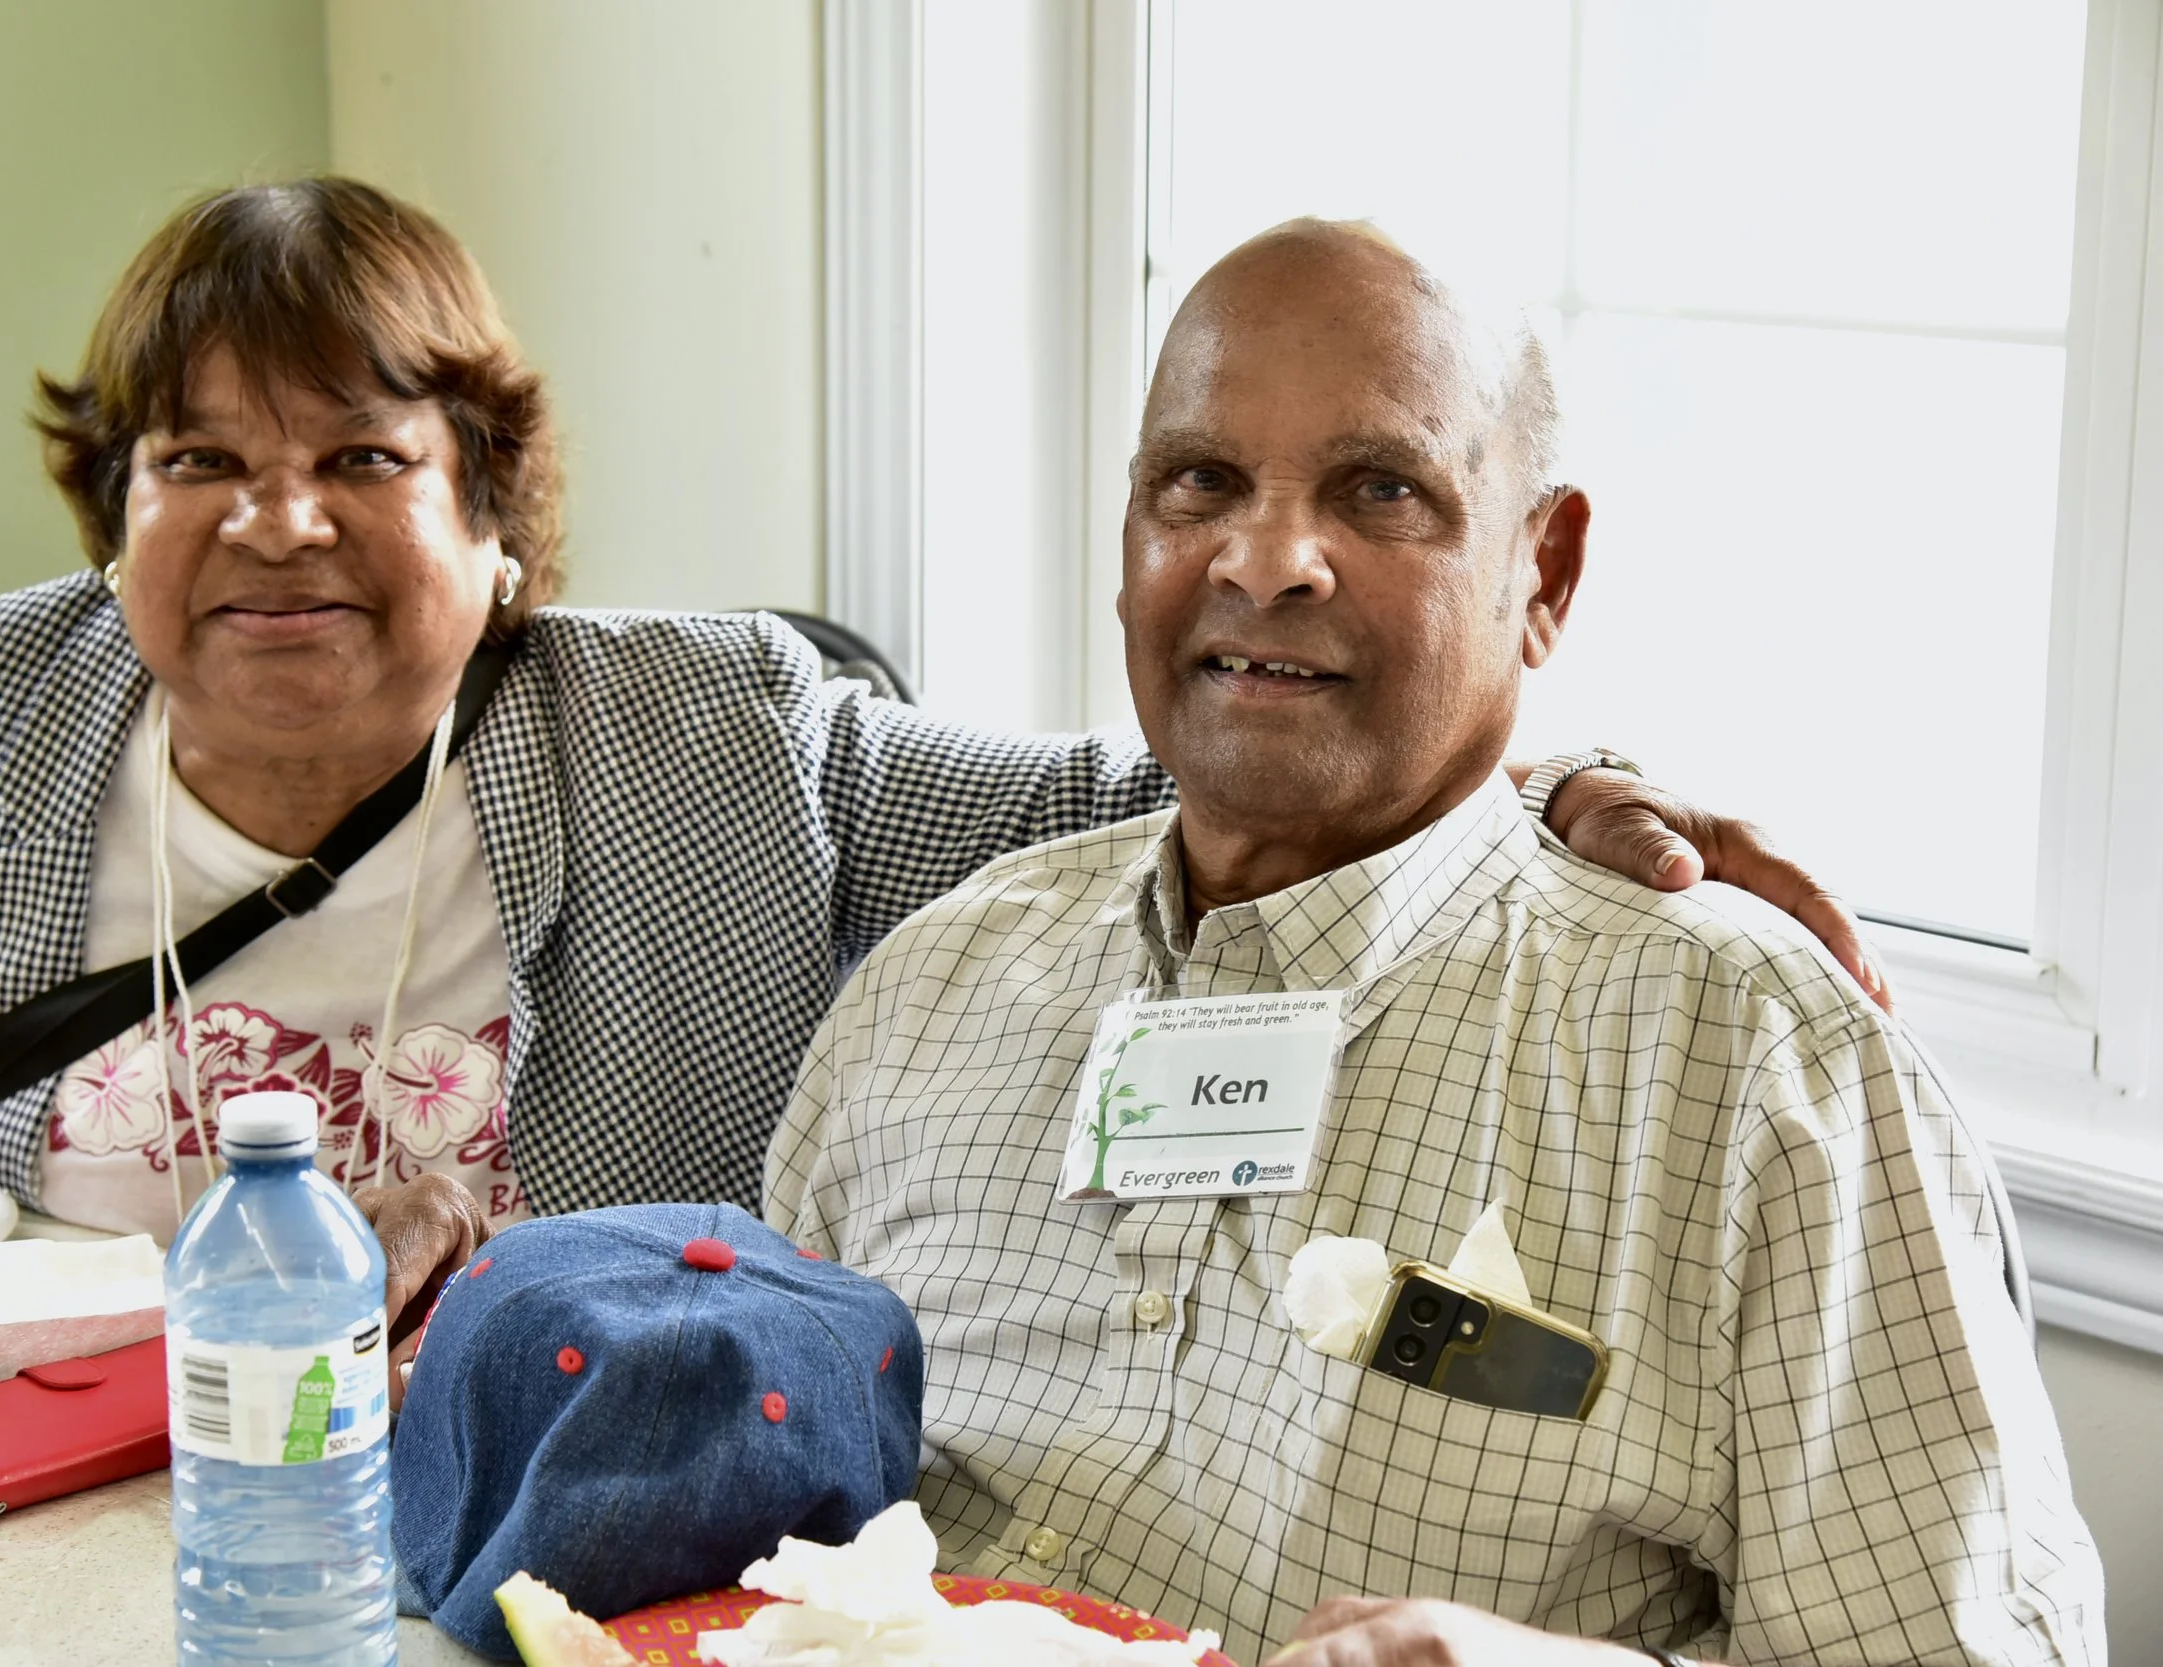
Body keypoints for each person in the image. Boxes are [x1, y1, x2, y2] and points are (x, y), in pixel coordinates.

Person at [0, 178, 1862, 1248]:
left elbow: (1190, 777)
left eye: (359, 458)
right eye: (198, 461)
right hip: (12, 1527)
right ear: (112, 512)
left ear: (496, 522)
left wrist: (1545, 777)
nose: (275, 526)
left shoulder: (710, 743)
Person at [753, 223, 2103, 1665]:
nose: (1266, 561)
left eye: (1382, 491)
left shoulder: (1758, 1068)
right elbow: (730, 1507)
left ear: (1546, 575)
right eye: (1201, 482)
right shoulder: (926, 990)